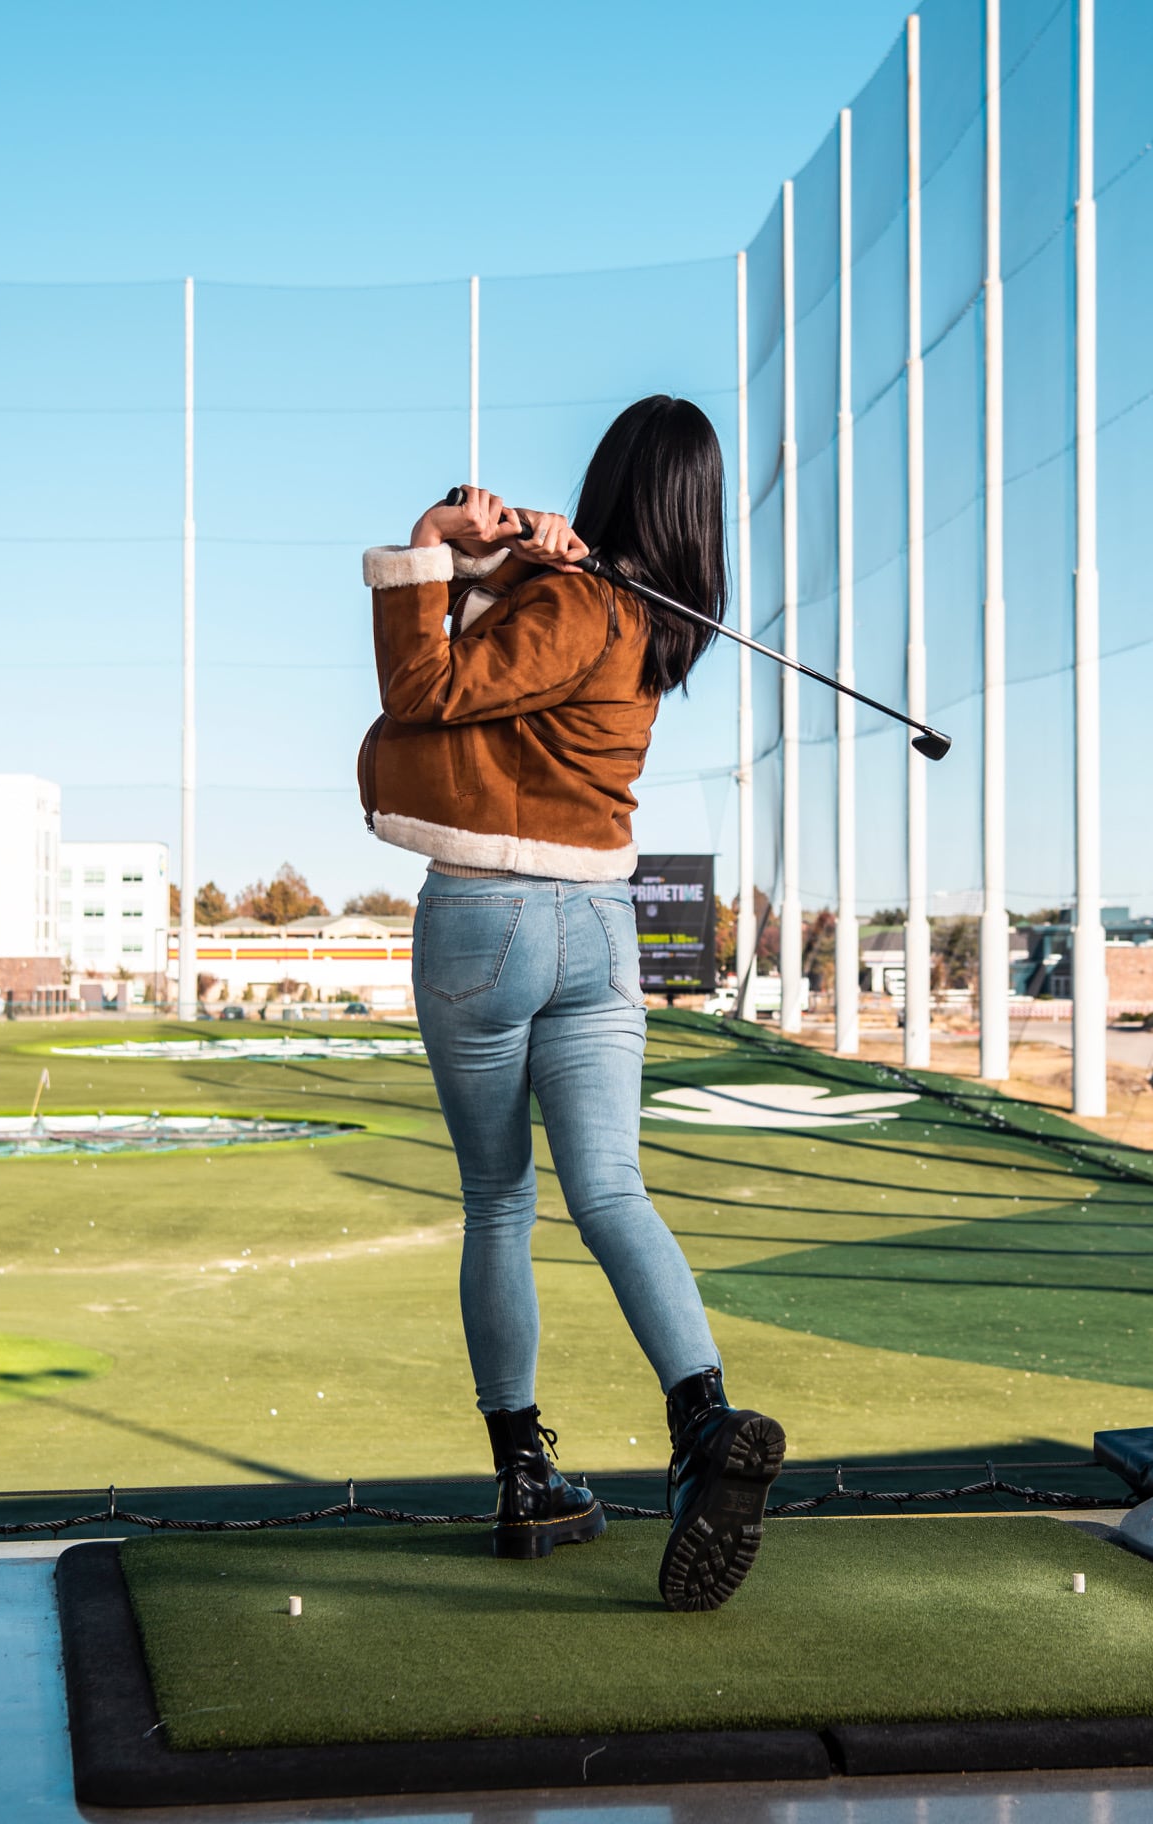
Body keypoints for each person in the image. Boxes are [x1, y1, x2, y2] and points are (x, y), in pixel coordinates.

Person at [354, 396, 782, 1613]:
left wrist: (433, 541)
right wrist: (512, 557)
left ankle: (524, 1475)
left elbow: (429, 684)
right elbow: (535, 652)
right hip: (600, 926)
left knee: (501, 1197)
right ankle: (702, 1415)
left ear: (609, 484)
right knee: (612, 1190)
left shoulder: (579, 601)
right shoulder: (656, 619)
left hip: (486, 920)